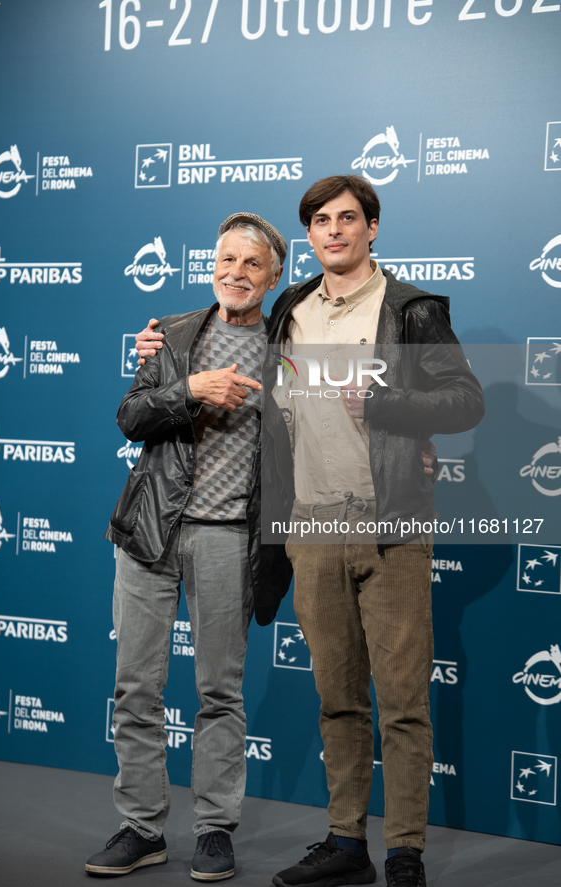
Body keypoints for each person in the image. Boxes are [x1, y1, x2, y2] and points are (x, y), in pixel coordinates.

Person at [133, 179, 476, 887]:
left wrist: (395, 406)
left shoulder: (409, 309)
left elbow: (465, 398)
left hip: (390, 530)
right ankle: (346, 843)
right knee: (339, 697)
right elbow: (224, 331)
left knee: (404, 702)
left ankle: (404, 850)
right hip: (311, 531)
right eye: (321, 221)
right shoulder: (288, 312)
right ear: (310, 239)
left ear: (372, 228)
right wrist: (159, 345)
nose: (334, 230)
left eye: (347, 218)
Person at [85, 213, 292, 879]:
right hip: (149, 532)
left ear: (274, 276)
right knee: (135, 686)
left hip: (230, 538)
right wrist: (190, 389)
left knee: (218, 691)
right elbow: (130, 417)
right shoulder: (172, 332)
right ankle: (142, 826)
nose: (235, 272)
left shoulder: (292, 345)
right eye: (225, 259)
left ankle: (213, 829)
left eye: (251, 263)